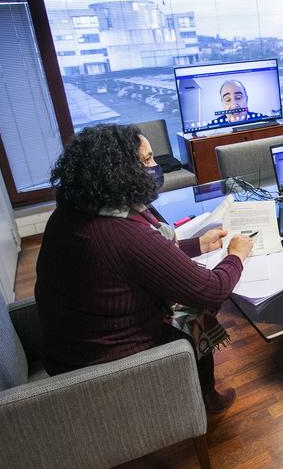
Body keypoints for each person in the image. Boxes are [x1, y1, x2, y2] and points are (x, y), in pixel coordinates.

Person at [35, 123, 253, 413]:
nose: (155, 167)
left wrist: (197, 245)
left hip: (69, 347)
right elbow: (211, 291)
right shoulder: (121, 232)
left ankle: (204, 392)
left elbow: (138, 258)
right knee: (196, 312)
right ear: (119, 171)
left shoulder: (73, 212)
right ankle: (205, 396)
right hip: (105, 362)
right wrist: (236, 255)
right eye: (147, 160)